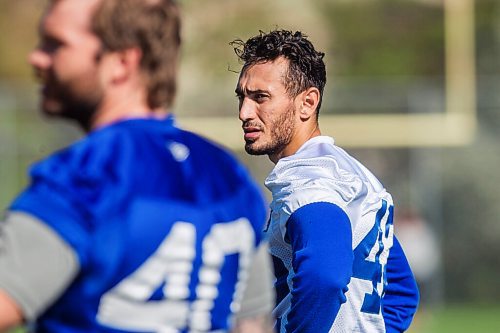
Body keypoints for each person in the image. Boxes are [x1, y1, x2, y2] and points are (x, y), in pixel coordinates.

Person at [0, 0, 274, 332]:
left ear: (121, 62)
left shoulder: (88, 174)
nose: (37, 57)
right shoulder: (229, 177)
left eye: (56, 44)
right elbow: (251, 323)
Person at [232, 29, 420, 332]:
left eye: (260, 97)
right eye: (242, 97)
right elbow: (401, 292)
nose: (244, 112)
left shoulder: (308, 180)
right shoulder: (354, 175)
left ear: (307, 103)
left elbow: (324, 279)